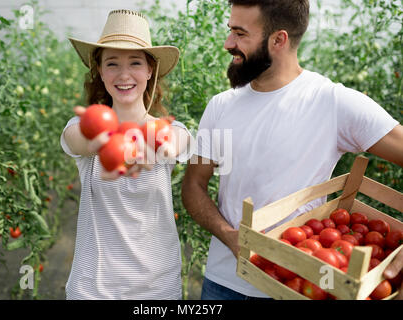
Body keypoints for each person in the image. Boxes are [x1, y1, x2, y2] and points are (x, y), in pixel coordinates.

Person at [181, 0, 403, 300]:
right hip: (223, 285)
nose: (227, 43)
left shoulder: (332, 102)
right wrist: (229, 236)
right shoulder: (221, 105)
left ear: (278, 40)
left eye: (240, 33)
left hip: (297, 287)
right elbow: (193, 186)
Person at [61, 9, 192, 299]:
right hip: (92, 288)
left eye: (135, 62)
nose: (123, 75)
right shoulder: (82, 127)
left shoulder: (169, 129)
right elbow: (77, 139)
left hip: (157, 289)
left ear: (150, 70)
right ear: (100, 71)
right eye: (112, 64)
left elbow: (179, 140)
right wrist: (106, 142)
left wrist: (160, 144)